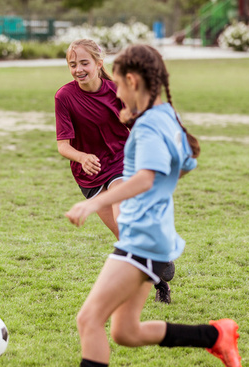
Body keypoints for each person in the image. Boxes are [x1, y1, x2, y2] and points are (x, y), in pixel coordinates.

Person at [40, 44, 242, 367]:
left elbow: (145, 179)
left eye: (117, 82)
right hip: (152, 235)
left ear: (131, 81)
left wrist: (93, 204)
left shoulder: (148, 126)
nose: (113, 92)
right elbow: (187, 162)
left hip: (141, 239)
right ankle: (215, 335)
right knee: (125, 333)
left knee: (88, 320)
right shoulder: (166, 116)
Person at [55, 39, 174, 303]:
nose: (78, 69)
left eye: (84, 63)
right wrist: (82, 156)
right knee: (124, 238)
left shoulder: (115, 91)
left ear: (99, 64)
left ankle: (157, 265)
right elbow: (63, 145)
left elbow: (141, 123)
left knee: (126, 224)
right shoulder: (64, 97)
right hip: (89, 174)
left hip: (121, 164)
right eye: (72, 64)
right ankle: (159, 278)